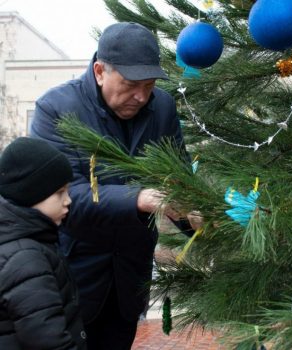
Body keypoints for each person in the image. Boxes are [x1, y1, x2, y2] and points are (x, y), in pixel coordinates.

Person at [30, 22, 197, 349]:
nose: (141, 96)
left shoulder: (161, 107)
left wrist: (196, 215)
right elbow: (61, 197)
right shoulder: (56, 109)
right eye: (132, 84)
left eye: (149, 85)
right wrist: (139, 198)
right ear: (100, 71)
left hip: (129, 279)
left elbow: (179, 178)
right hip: (71, 277)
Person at [0, 137, 87, 350]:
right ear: (31, 195)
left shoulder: (31, 241)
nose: (68, 200)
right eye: (59, 193)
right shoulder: (25, 258)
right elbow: (48, 340)